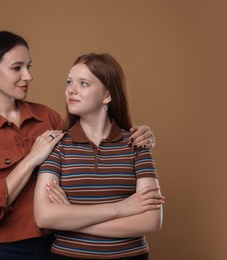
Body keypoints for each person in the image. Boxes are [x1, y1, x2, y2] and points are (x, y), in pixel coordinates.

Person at [0, 31, 156, 260]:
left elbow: (93, 138)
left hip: (57, 245)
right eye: (17, 68)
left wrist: (142, 136)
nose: (28, 76)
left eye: (29, 67)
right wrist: (31, 159)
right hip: (3, 251)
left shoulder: (47, 118)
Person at [34, 53, 164, 260]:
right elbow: (44, 216)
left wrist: (72, 217)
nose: (71, 90)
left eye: (84, 83)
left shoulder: (137, 143)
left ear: (107, 96)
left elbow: (151, 221)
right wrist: (121, 208)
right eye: (69, 82)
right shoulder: (57, 145)